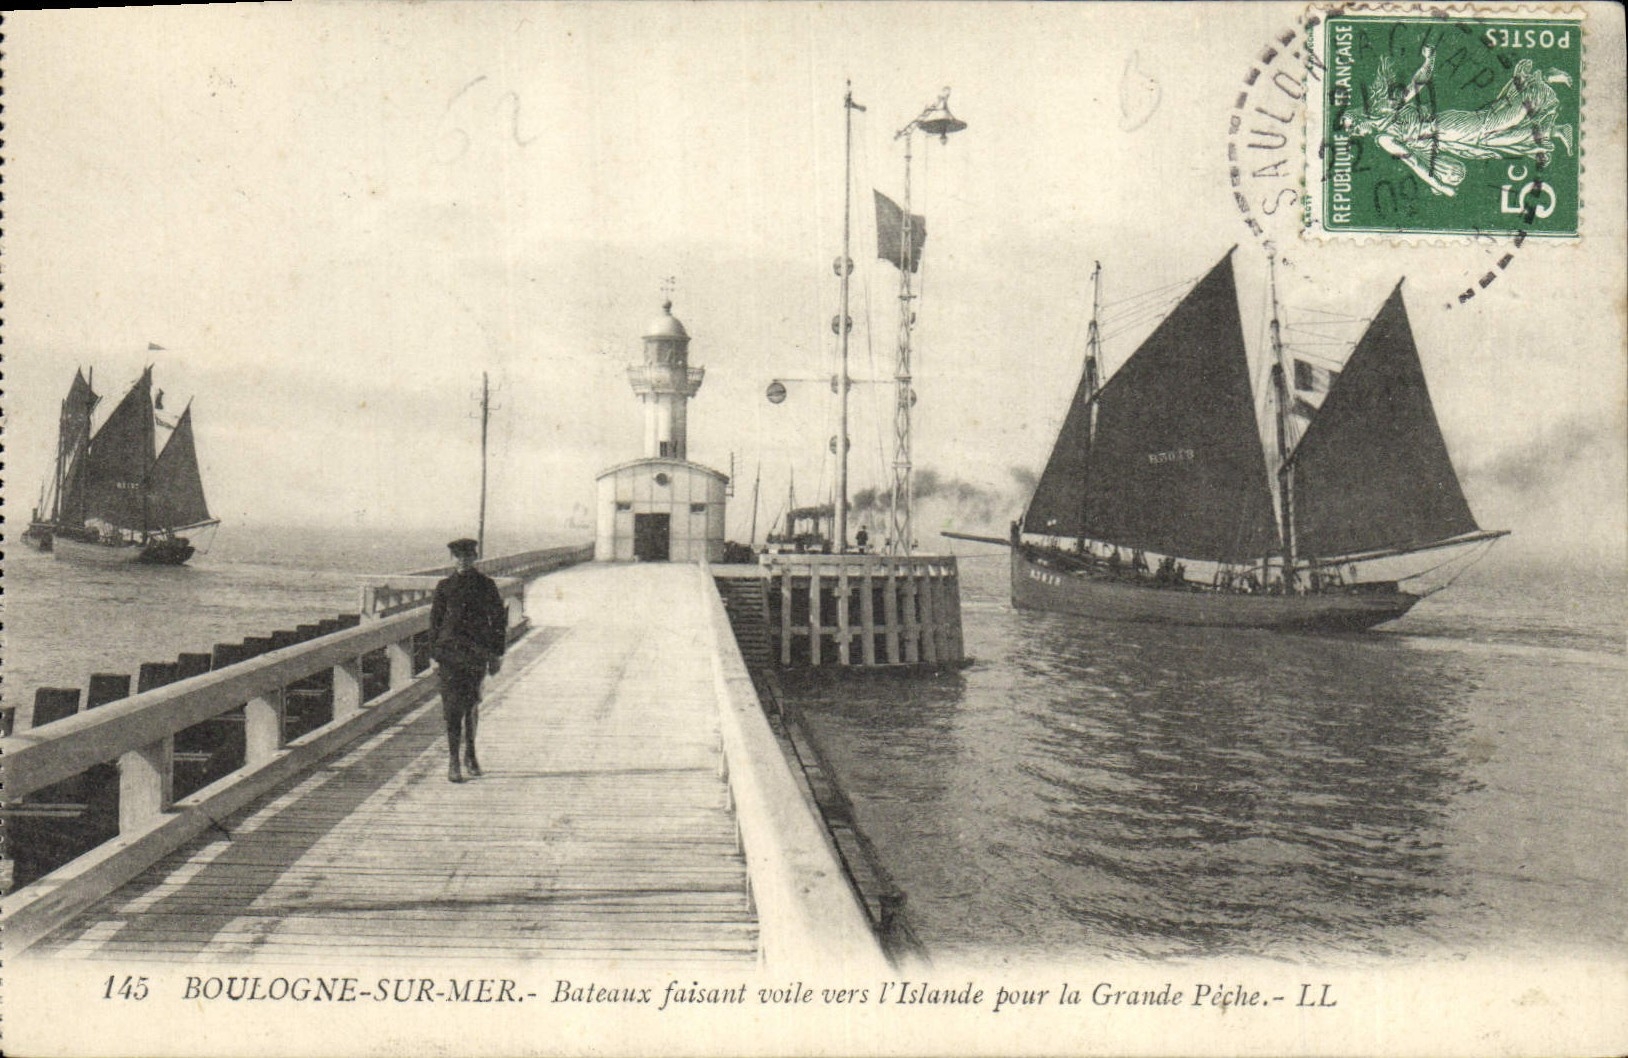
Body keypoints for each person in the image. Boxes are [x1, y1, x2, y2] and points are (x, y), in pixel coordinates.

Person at [430, 538, 509, 783]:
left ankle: (471, 754)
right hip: (449, 655)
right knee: (451, 708)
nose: (462, 561)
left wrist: (496, 654)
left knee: (471, 705)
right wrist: (433, 655)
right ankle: (453, 760)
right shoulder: (444, 586)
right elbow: (434, 624)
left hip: (476, 654)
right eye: (458, 556)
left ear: (475, 557)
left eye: (467, 556)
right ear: (452, 559)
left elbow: (498, 621)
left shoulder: (486, 585)